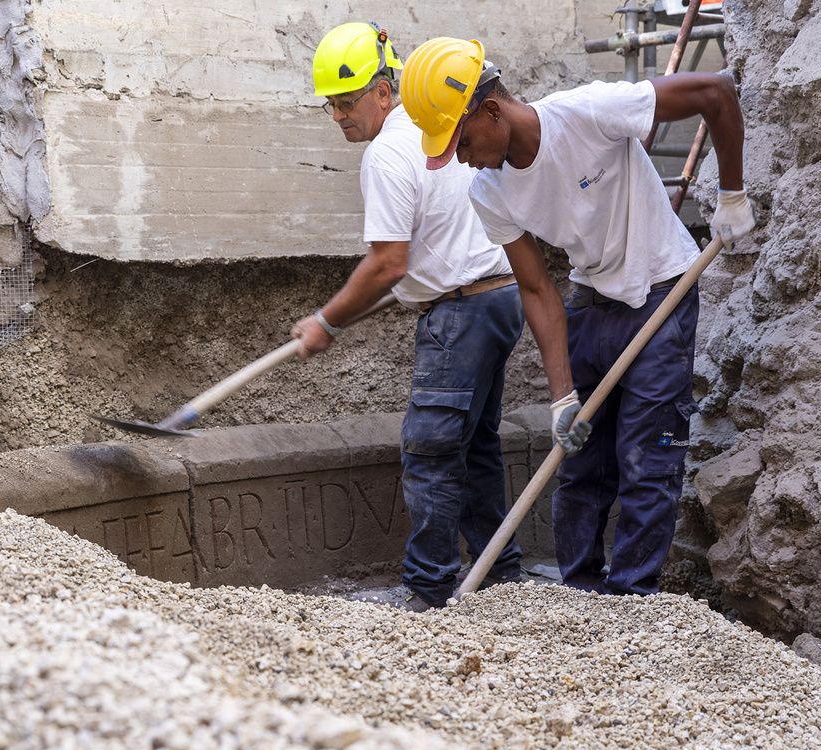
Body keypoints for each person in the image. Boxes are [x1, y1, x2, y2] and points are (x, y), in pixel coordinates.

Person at [399, 38, 758, 596]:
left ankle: (633, 602)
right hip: (592, 302)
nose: (460, 158)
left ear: (490, 110)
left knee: (646, 460)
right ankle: (581, 598)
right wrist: (562, 395)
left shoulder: (587, 113)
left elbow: (716, 90)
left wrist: (732, 194)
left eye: (461, 140)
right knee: (580, 463)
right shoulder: (489, 192)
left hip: (662, 290)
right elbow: (538, 289)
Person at [292, 23, 527, 611]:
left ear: (382, 89)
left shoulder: (387, 154)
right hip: (499, 296)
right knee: (473, 447)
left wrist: (326, 320)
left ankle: (426, 588)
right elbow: (414, 255)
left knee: (430, 448)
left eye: (347, 102)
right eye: (331, 106)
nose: (340, 115)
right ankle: (503, 574)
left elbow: (387, 263)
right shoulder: (433, 127)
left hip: (463, 310)